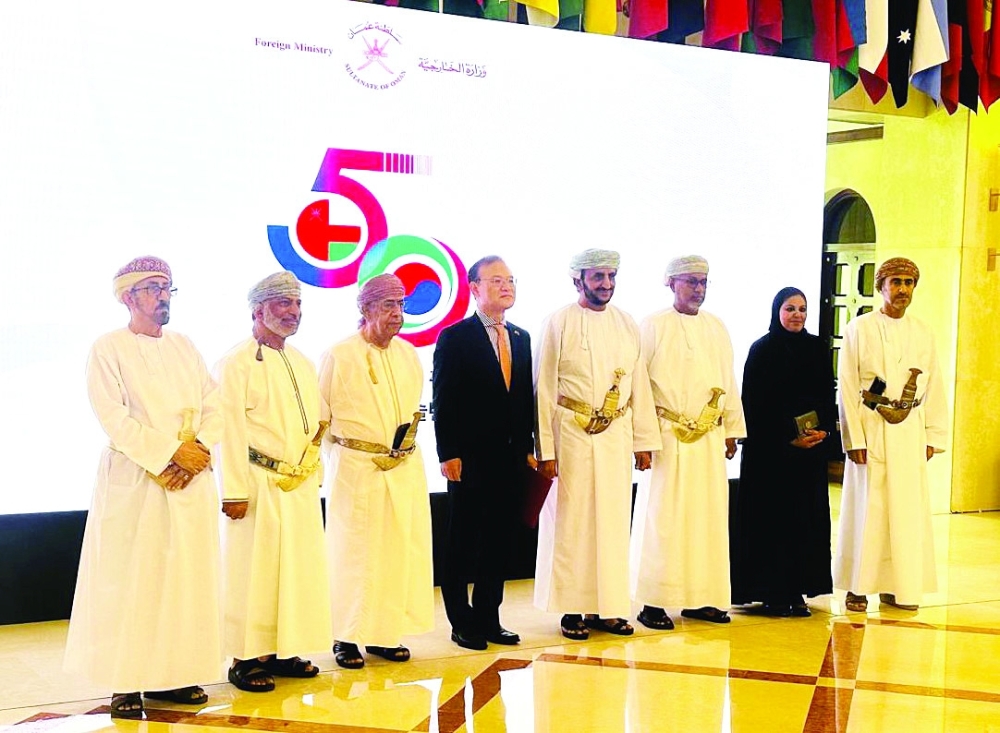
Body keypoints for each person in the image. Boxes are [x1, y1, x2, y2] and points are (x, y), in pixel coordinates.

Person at [64, 256, 222, 719]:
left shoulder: (184, 346)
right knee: (132, 581)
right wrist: (168, 453)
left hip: (188, 481)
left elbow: (214, 405)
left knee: (183, 581)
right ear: (129, 297)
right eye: (153, 288)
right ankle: (126, 682)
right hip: (135, 480)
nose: (163, 295)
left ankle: (173, 675)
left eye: (168, 287)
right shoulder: (108, 347)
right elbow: (113, 417)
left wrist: (197, 450)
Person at [534, 249, 660, 640]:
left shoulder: (626, 323)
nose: (606, 284)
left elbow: (638, 383)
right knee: (573, 522)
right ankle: (572, 609)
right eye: (597, 277)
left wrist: (643, 440)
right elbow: (543, 388)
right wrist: (546, 450)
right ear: (578, 281)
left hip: (616, 435)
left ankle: (608, 608)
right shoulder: (558, 322)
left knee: (611, 519)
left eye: (610, 276)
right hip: (570, 433)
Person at [214, 271, 331, 692]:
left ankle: (283, 650)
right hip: (256, 483)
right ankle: (245, 659)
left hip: (297, 485)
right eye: (283, 304)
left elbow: (315, 424)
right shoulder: (234, 363)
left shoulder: (301, 360)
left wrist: (312, 472)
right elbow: (226, 430)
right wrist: (234, 491)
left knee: (294, 572)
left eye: (297, 304)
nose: (293, 312)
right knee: (253, 575)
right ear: (257, 310)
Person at [320, 274, 434, 668]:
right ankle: (346, 637)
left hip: (401, 467)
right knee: (353, 553)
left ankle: (384, 634)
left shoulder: (408, 355)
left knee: (395, 550)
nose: (397, 314)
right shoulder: (339, 354)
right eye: (388, 306)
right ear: (366, 309)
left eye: (400, 306)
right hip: (356, 469)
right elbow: (321, 420)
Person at [630, 255, 746, 628]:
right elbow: (640, 386)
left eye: (703, 283)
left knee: (706, 519)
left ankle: (702, 598)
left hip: (708, 440)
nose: (698, 289)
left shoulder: (717, 327)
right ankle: (654, 601)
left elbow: (728, 378)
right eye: (691, 282)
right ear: (671, 283)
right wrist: (643, 438)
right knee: (663, 518)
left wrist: (732, 428)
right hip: (667, 436)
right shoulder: (652, 325)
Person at [432, 256, 535, 650]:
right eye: (496, 280)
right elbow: (443, 398)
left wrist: (528, 448)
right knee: (463, 541)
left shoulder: (522, 338)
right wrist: (448, 452)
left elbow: (524, 400)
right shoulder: (456, 337)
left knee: (499, 541)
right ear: (474, 288)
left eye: (510, 280)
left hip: (510, 459)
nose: (506, 286)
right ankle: (462, 622)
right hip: (469, 458)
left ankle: (490, 617)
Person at [835, 257, 948, 612]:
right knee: (869, 509)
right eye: (896, 282)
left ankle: (898, 586)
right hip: (871, 428)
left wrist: (932, 434)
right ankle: (859, 586)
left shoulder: (923, 331)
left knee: (905, 512)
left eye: (909, 283)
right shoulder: (859, 328)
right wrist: (854, 439)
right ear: (881, 286)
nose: (903, 289)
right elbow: (848, 386)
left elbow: (936, 386)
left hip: (909, 433)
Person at [730, 287, 836, 617]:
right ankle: (771, 592)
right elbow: (754, 404)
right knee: (771, 525)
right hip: (771, 457)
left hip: (809, 456)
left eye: (802, 309)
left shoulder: (816, 348)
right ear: (778, 311)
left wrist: (824, 432)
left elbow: (826, 396)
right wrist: (787, 438)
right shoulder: (762, 350)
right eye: (790, 309)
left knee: (805, 523)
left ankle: (798, 589)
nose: (797, 315)